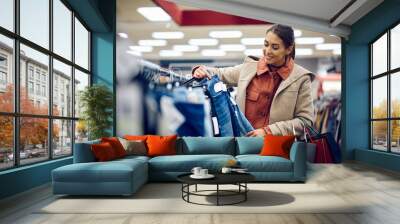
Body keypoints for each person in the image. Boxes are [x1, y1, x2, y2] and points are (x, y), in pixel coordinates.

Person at [192, 24, 315, 137]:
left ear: (288, 49)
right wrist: (201, 70)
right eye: (266, 44)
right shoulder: (249, 69)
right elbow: (221, 74)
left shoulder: (301, 78)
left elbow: (305, 121)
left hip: (278, 149)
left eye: (275, 47)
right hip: (244, 146)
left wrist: (269, 131)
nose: (268, 51)